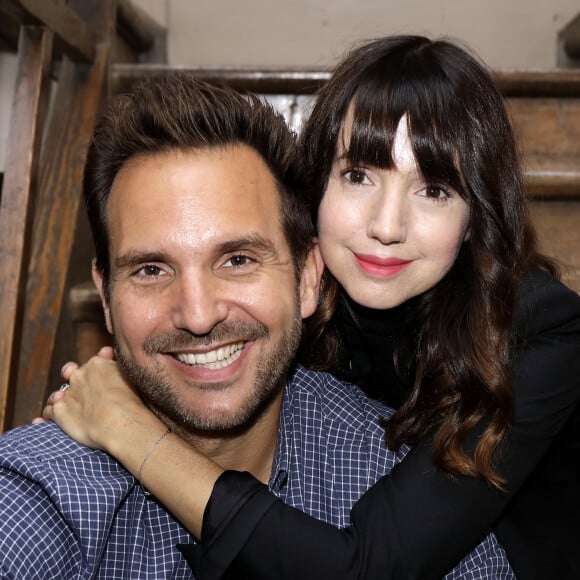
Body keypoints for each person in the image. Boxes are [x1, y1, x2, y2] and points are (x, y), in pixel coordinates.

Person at [43, 36, 580, 579]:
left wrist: (129, 429)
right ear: (316, 185)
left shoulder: (543, 333)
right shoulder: (304, 307)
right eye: (357, 175)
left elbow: (369, 569)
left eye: (434, 190)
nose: (386, 227)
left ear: (474, 220)